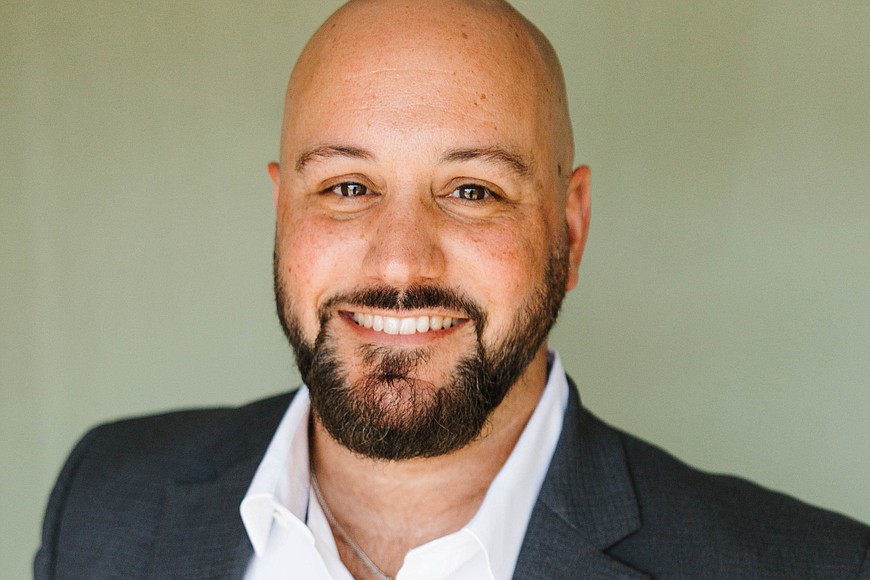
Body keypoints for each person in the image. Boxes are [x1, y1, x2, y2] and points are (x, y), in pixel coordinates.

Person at [35, 0, 869, 578]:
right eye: (347, 187)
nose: (400, 265)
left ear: (570, 228)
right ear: (283, 212)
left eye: (473, 190)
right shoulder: (105, 500)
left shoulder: (814, 568)